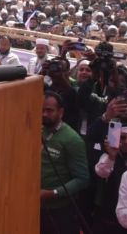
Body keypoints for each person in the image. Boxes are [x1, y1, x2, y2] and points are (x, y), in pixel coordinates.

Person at [40, 91, 89, 234]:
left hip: (60, 209)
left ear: (60, 112)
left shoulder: (72, 139)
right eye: (41, 110)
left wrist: (53, 193)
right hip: (34, 206)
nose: (44, 114)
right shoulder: (34, 130)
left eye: (49, 110)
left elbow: (82, 179)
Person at [94, 124, 127, 234]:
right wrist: (112, 156)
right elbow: (101, 172)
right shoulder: (108, 157)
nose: (126, 142)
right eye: (122, 137)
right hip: (109, 220)